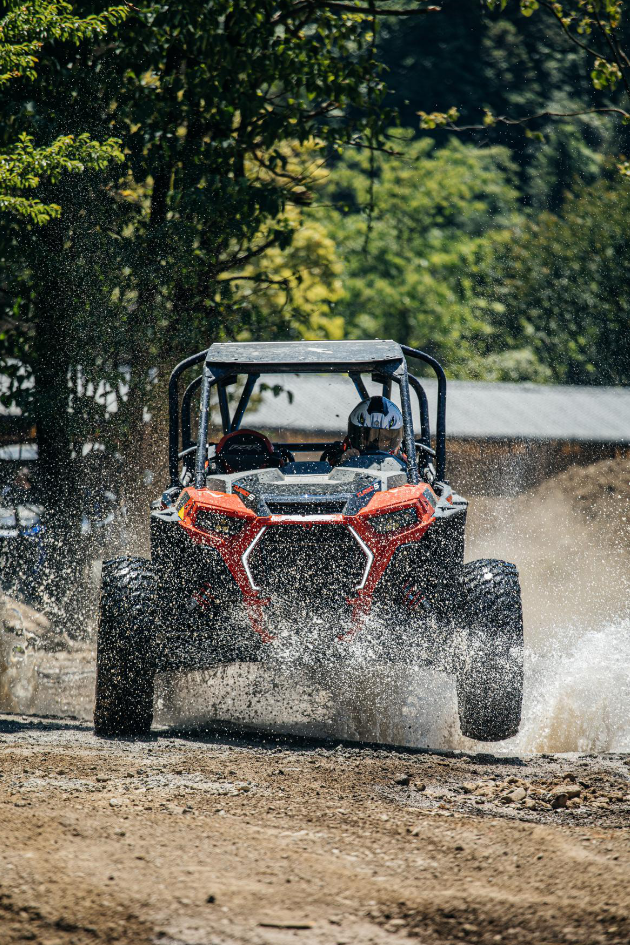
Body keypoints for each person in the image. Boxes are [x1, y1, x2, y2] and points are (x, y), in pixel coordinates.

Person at [323, 396, 405, 467]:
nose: (375, 447)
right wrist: (342, 462)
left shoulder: (406, 465)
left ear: (396, 441)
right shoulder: (341, 455)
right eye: (367, 439)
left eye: (384, 439)